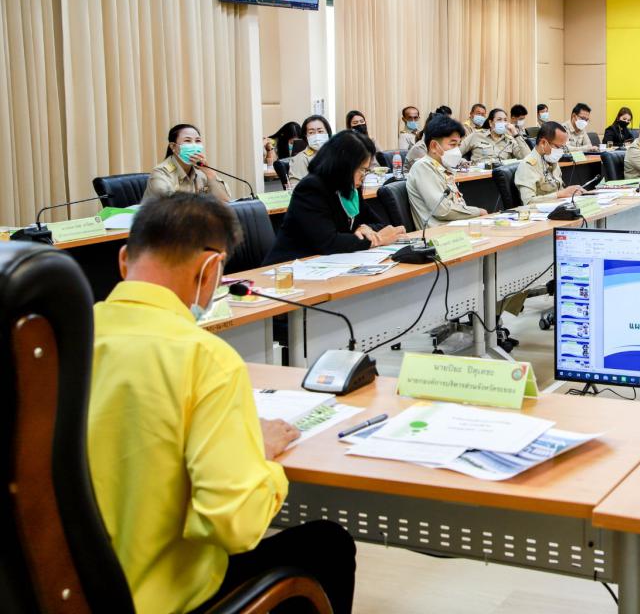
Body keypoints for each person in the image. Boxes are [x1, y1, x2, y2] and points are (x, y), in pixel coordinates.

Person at [89, 194, 356, 614]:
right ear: (212, 268)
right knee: (328, 544)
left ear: (124, 260)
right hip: (164, 597)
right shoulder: (204, 358)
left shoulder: (62, 341)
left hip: (71, 590)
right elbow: (233, 526)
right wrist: (259, 455)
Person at [264, 130, 404, 264]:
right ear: (344, 165)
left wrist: (364, 228)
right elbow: (328, 242)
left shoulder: (350, 189)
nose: (364, 175)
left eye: (366, 170)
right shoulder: (311, 188)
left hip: (332, 264)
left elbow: (380, 224)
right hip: (289, 267)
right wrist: (376, 239)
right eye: (362, 169)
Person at [406, 116, 489, 226]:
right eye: (453, 144)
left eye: (459, 145)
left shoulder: (444, 168)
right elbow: (442, 210)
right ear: (434, 146)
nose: (457, 150)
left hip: (456, 228)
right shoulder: (423, 167)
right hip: (439, 233)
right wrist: (477, 211)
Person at [144, 123, 231, 203]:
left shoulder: (202, 171)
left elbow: (224, 201)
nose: (194, 145)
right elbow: (170, 206)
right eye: (187, 141)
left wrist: (209, 173)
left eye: (197, 141)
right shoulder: (161, 173)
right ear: (173, 146)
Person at [515, 121, 584, 205]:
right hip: (539, 212)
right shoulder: (527, 165)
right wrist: (559, 194)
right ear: (543, 143)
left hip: (558, 207)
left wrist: (572, 192)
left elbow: (560, 189)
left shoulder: (552, 160)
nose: (561, 151)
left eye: (563, 147)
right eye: (559, 147)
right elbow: (529, 202)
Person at [461, 108, 530, 164]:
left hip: (502, 175)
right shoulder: (476, 136)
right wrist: (463, 161)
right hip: (480, 174)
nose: (503, 123)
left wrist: (515, 134)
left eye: (505, 120)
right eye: (499, 120)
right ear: (491, 123)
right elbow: (457, 152)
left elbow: (528, 158)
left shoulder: (510, 140)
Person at [287, 114, 333, 183]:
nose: (317, 135)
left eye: (320, 131)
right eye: (311, 132)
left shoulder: (336, 154)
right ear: (306, 136)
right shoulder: (300, 159)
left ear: (328, 133)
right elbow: (297, 187)